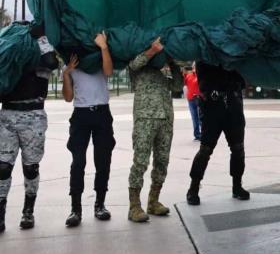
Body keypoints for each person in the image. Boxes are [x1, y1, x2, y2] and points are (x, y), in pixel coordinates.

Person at [0, 23, 58, 232]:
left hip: (33, 116)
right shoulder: (9, 55)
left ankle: (28, 211)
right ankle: (0, 214)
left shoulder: (40, 56)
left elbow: (52, 61)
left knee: (30, 168)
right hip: (7, 115)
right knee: (3, 168)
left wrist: (41, 37)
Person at [61, 31, 115, 227]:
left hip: (101, 113)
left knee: (103, 160)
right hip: (81, 115)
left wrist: (103, 47)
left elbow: (108, 72)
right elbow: (68, 98)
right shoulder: (72, 63)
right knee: (78, 162)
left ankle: (100, 204)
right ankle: (76, 209)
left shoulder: (99, 58)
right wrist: (67, 74)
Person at [126, 38, 182, 222]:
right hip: (145, 119)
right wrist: (152, 50)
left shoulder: (162, 75)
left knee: (162, 162)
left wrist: (172, 62)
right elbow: (134, 65)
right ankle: (134, 206)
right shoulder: (137, 69)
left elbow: (178, 85)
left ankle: (153, 201)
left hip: (165, 120)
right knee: (141, 161)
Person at [186, 62, 249, 205]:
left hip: (233, 105)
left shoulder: (234, 53)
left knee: (238, 148)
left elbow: (243, 76)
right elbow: (203, 80)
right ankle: (193, 188)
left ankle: (237, 186)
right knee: (205, 149)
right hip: (212, 107)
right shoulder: (206, 55)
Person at [183, 63, 202, 141]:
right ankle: (197, 135)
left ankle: (204, 134)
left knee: (201, 117)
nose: (194, 68)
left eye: (196, 66)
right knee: (194, 118)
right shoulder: (188, 76)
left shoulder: (202, 76)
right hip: (191, 99)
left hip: (199, 98)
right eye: (194, 66)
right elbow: (185, 84)